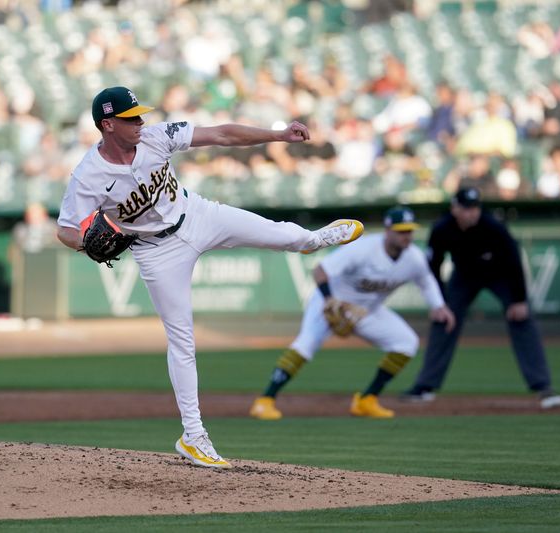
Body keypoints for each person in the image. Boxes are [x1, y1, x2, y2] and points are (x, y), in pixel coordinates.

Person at [56, 86, 364, 469]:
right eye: (130, 117)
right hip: (156, 251)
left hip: (197, 214)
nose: (140, 121)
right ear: (107, 125)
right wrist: (87, 245)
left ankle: (315, 240)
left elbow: (221, 134)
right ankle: (194, 435)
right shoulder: (88, 176)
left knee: (281, 234)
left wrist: (279, 135)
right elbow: (66, 229)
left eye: (139, 114)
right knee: (182, 340)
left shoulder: (155, 136)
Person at [250, 206, 455, 420]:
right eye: (401, 231)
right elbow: (321, 270)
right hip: (332, 303)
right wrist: (329, 299)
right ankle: (265, 401)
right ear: (388, 230)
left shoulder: (414, 258)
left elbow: (426, 281)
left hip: (366, 311)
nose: (406, 236)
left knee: (406, 343)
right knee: (305, 345)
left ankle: (366, 400)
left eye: (409, 231)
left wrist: (439, 306)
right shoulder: (364, 249)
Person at [403, 187, 555, 403]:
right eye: (466, 208)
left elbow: (513, 261)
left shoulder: (493, 226)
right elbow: (433, 268)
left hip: (499, 273)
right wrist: (439, 303)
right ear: (455, 208)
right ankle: (425, 386)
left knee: (522, 318)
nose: (472, 213)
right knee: (444, 320)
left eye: (475, 208)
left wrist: (519, 299)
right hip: (464, 276)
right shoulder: (443, 228)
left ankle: (542, 385)